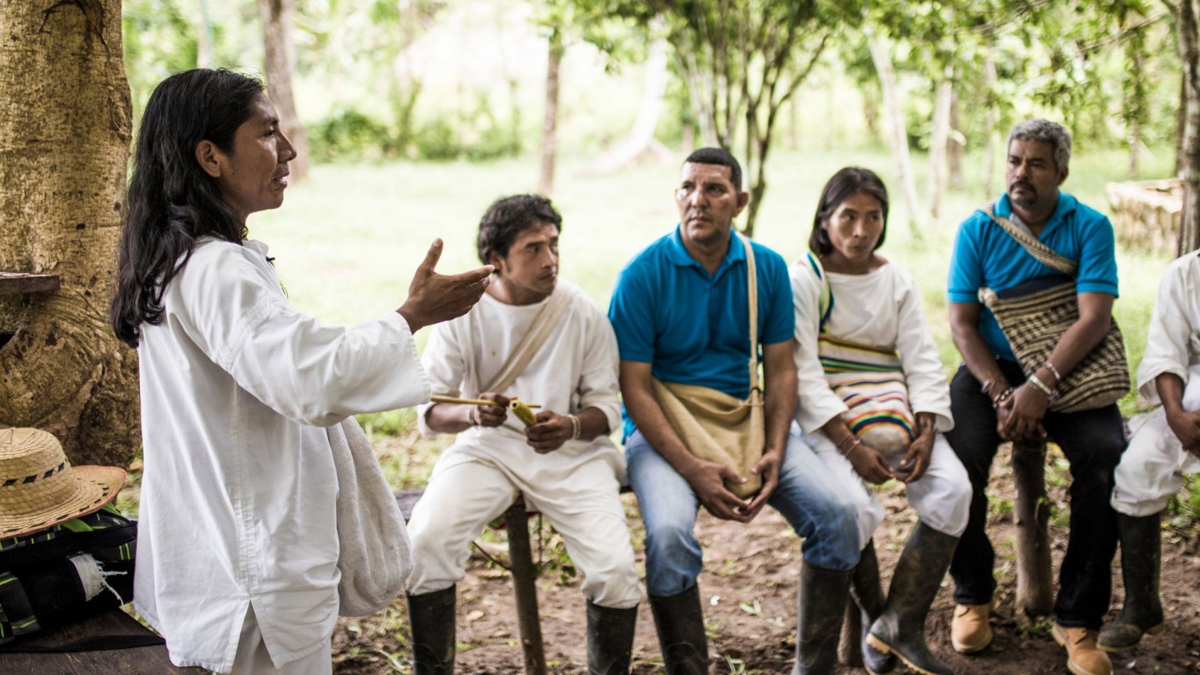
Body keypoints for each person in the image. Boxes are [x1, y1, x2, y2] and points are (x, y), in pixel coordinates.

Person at [109, 69, 491, 674]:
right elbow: (310, 378)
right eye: (267, 133)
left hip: (231, 557)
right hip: (254, 574)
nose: (287, 150)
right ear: (210, 157)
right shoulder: (214, 271)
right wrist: (413, 316)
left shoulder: (184, 263)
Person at [609, 148, 861, 674]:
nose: (698, 200)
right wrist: (691, 469)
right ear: (676, 196)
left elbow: (782, 370)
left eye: (714, 189)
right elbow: (633, 389)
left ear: (740, 202)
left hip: (745, 420)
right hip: (661, 430)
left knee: (838, 518)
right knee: (669, 538)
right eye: (688, 188)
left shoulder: (765, 268)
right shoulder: (641, 275)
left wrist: (776, 449)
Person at [405, 194, 640, 674]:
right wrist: (475, 416)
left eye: (553, 244)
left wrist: (571, 425)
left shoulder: (581, 311)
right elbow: (431, 410)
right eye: (533, 249)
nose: (550, 259)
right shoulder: (463, 312)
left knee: (616, 573)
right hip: (487, 451)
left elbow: (606, 407)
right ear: (496, 260)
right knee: (424, 543)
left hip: (574, 457)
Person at [944, 119, 1125, 675]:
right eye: (1015, 161)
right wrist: (1003, 393)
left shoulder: (1090, 227)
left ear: (1061, 172)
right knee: (953, 458)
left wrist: (1040, 386)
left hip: (1070, 368)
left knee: (1105, 457)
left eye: (1037, 163)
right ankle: (973, 593)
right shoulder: (978, 228)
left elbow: (1094, 319)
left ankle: (1078, 618)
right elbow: (962, 323)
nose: (1021, 173)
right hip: (994, 370)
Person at [791, 167, 970, 675]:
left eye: (873, 217)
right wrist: (851, 447)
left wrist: (928, 430)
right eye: (848, 216)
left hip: (893, 406)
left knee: (954, 490)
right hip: (830, 420)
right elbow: (802, 370)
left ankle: (900, 622)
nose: (860, 230)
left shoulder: (896, 281)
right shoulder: (805, 279)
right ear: (825, 220)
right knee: (848, 509)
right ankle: (876, 615)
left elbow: (921, 358)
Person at [1100, 250, 1200, 652]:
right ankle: (1142, 606)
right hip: (1191, 397)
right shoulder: (1185, 273)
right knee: (1138, 465)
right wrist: (1176, 416)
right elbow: (1166, 354)